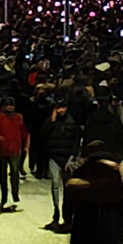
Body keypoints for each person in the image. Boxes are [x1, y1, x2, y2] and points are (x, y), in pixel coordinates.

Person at [42, 99, 81, 230]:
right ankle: (56, 213)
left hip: (66, 159)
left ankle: (66, 217)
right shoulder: (51, 122)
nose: (60, 111)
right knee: (55, 185)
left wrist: (72, 157)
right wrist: (51, 121)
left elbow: (75, 141)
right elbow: (43, 135)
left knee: (67, 188)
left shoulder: (71, 123)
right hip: (53, 156)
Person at [0, 96, 28, 211]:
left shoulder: (19, 117)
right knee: (2, 173)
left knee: (15, 172)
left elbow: (24, 132)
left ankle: (15, 195)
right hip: (2, 150)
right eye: (8, 105)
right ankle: (4, 195)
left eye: (12, 105)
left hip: (16, 149)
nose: (10, 108)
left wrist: (26, 146)